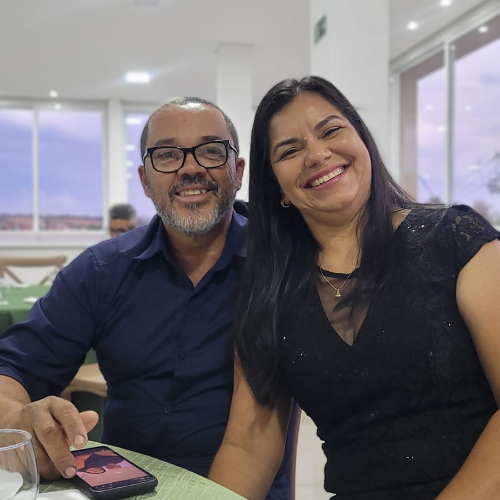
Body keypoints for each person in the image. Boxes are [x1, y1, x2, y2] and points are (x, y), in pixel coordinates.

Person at [209, 76, 500, 500]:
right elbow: (248, 446)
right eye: (289, 151)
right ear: (276, 188)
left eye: (331, 130)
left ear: (362, 140)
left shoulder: (456, 239)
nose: (317, 155)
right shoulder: (270, 292)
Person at [0, 97, 296, 500]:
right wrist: (18, 419)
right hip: (122, 486)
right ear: (144, 180)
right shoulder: (101, 272)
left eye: (211, 151)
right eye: (167, 155)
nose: (190, 168)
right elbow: (13, 368)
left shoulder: (281, 267)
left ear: (238, 171)